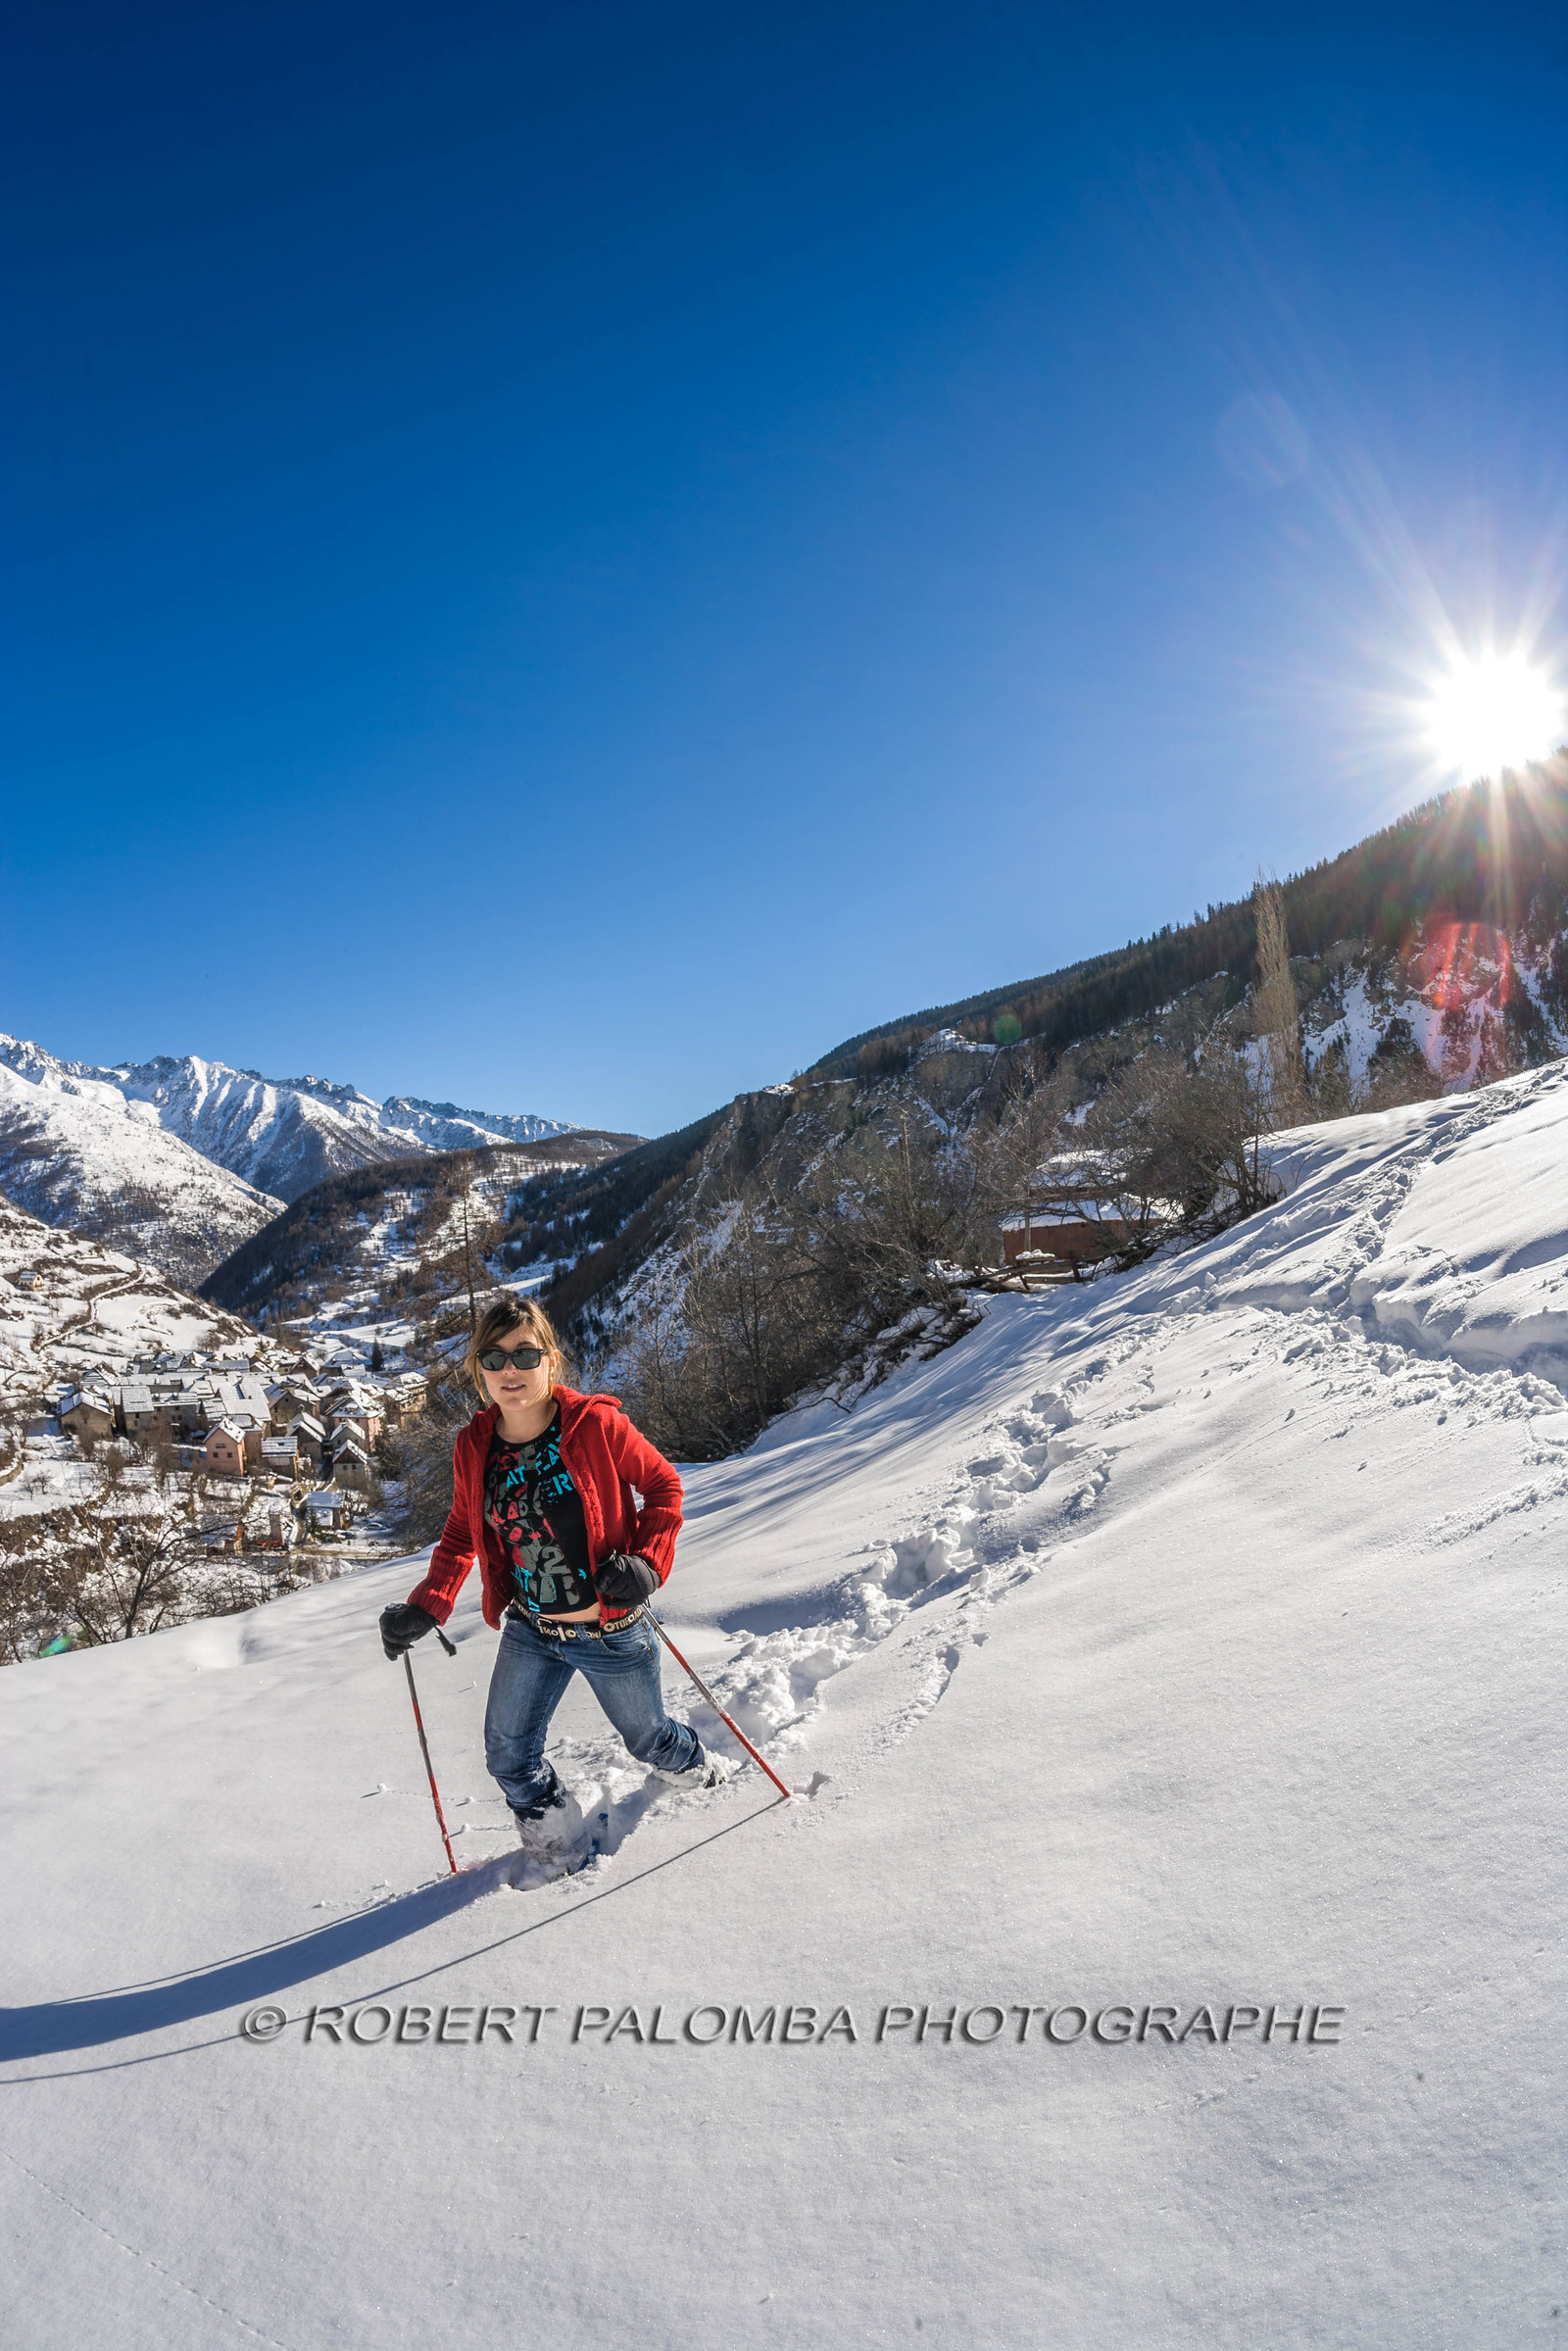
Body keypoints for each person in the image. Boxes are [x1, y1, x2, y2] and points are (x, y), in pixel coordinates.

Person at [378, 1298, 727, 1852]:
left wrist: (646, 1565)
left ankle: (702, 1776)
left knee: (650, 1738)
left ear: (550, 1360)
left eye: (524, 1354)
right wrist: (428, 1605)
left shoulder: (597, 1426)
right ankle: (559, 1849)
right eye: (492, 1358)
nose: (508, 1370)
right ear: (478, 1371)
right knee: (508, 1755)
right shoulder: (474, 1446)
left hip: (609, 1632)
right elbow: (462, 1531)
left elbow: (664, 1488)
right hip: (532, 1630)